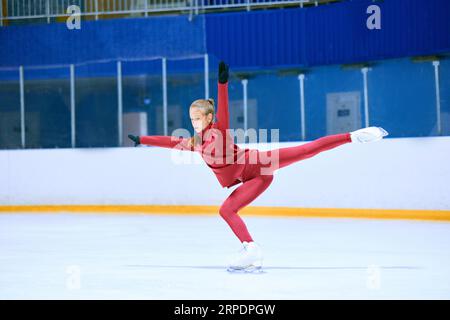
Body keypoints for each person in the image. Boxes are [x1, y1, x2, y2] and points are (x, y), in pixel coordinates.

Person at [128, 61, 389, 273]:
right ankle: (250, 248)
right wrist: (142, 140)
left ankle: (355, 136)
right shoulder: (194, 143)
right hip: (256, 179)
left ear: (209, 117)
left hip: (258, 163)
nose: (194, 122)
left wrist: (222, 83)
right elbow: (169, 141)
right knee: (227, 210)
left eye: (197, 118)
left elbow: (225, 108)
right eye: (191, 119)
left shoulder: (220, 130)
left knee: (307, 150)